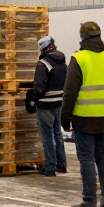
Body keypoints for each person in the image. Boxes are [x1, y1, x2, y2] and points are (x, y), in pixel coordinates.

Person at [61, 21, 104, 207]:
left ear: (83, 37)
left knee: (87, 159)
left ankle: (88, 201)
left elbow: (70, 92)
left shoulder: (79, 59)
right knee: (102, 157)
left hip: (84, 118)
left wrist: (65, 117)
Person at [26, 36, 68, 176]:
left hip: (45, 104)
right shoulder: (62, 61)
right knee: (57, 134)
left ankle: (50, 168)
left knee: (47, 136)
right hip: (58, 102)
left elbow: (39, 86)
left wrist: (33, 99)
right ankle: (61, 165)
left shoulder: (43, 63)